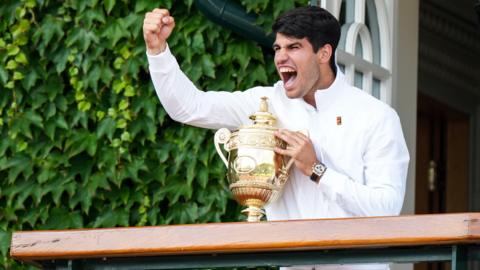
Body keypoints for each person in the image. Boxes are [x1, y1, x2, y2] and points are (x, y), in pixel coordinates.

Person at [143, 5, 409, 270]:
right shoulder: (265, 102)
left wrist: (317, 170)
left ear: (324, 53)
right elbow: (191, 107)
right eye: (277, 49)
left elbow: (386, 207)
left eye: (293, 47)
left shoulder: (377, 117)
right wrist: (157, 52)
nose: (281, 57)